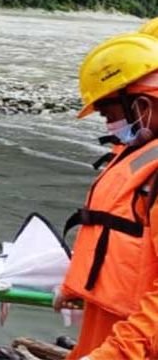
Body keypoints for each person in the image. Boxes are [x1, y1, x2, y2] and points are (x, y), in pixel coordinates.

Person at [54, 33, 158, 360]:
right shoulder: (140, 154)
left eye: (108, 111)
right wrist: (76, 285)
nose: (108, 124)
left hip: (135, 342)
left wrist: (117, 352)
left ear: (142, 105)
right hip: (114, 325)